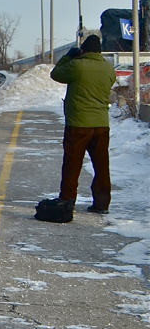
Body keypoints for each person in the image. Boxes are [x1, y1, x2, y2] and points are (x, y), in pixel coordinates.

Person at [50, 34, 117, 215]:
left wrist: (68, 56)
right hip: (102, 124)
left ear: (83, 50)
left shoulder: (76, 65)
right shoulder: (109, 69)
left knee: (72, 164)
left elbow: (56, 74)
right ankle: (102, 203)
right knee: (102, 165)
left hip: (78, 124)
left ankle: (67, 201)